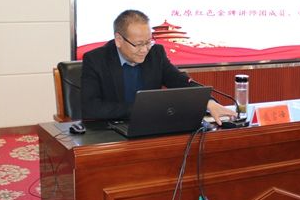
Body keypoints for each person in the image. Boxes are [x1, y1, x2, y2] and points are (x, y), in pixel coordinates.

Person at [81, 9, 237, 124]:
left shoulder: (155, 53)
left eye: (148, 42)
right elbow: (90, 107)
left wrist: (209, 103)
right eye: (138, 44)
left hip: (151, 127)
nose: (144, 50)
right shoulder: (96, 60)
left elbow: (180, 81)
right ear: (118, 40)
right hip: (112, 132)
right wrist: (140, 109)